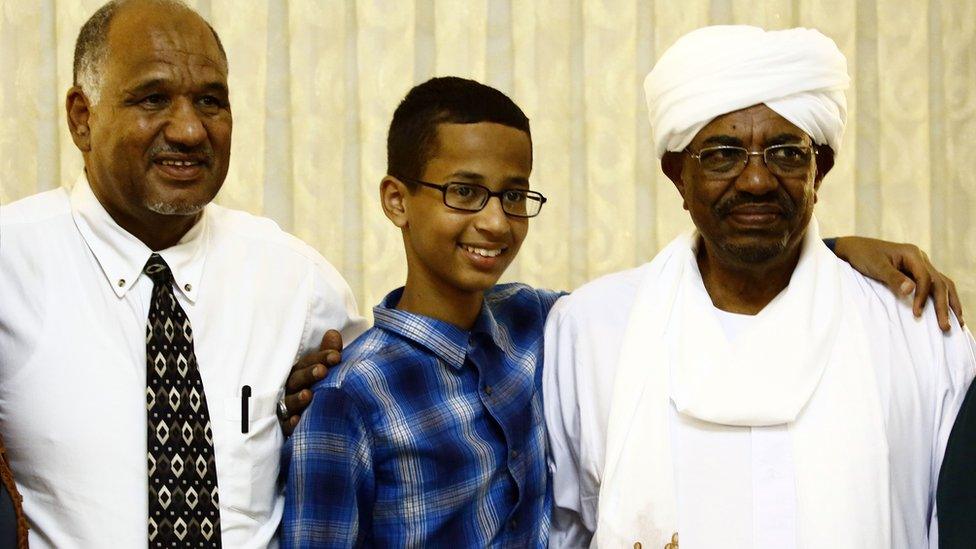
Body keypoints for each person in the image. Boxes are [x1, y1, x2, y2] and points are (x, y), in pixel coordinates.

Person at [542, 25, 976, 549]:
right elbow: (565, 532)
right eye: (723, 153)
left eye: (787, 153)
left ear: (821, 170)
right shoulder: (590, 330)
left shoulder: (920, 329)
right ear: (678, 175)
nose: (755, 180)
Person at [0, 0, 366, 546]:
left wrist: (311, 417)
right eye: (153, 99)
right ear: (83, 117)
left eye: (211, 102)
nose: (191, 131)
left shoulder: (298, 283)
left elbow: (362, 436)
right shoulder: (10, 266)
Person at [282, 76, 557, 547]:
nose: (495, 223)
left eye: (513, 195)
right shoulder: (350, 397)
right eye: (464, 192)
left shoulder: (537, 320)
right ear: (397, 201)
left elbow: (641, 307)